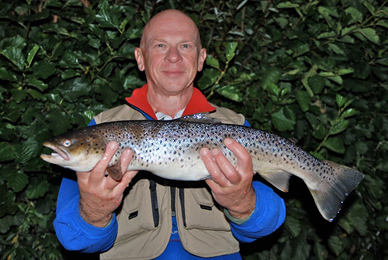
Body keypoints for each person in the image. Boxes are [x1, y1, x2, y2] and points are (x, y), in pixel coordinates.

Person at [54, 9, 286, 259]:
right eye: (160, 45)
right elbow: (73, 238)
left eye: (185, 46)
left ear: (201, 59)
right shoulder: (102, 129)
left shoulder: (234, 126)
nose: (173, 56)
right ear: (140, 58)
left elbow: (268, 224)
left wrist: (243, 203)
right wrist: (94, 211)